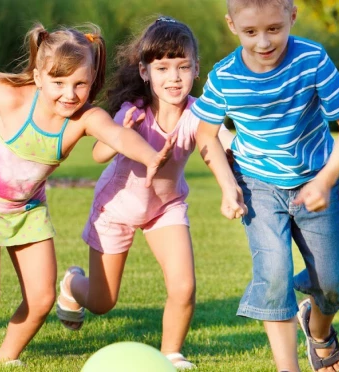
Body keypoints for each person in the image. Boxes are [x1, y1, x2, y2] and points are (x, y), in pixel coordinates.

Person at [0, 0, 174, 365]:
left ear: (91, 82)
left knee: (41, 299)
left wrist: (151, 156)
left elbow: (117, 136)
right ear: (39, 76)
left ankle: (5, 358)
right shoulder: (12, 98)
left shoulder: (84, 119)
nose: (69, 94)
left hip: (26, 210)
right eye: (58, 82)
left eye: (80, 84)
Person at [192, 0, 339, 371]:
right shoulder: (224, 77)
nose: (263, 42)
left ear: (292, 16)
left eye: (274, 29)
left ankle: (318, 332)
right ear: (232, 24)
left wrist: (325, 181)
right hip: (257, 185)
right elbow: (205, 134)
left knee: (331, 284)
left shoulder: (312, 59)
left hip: (314, 183)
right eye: (251, 31)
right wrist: (227, 185)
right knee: (273, 276)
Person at [56, 16, 233, 370]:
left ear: (197, 69)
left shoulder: (199, 113)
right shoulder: (132, 112)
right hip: (116, 208)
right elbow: (98, 154)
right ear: (144, 71)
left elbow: (221, 143)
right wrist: (119, 131)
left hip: (165, 208)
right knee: (102, 301)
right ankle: (72, 284)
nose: (174, 77)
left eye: (183, 67)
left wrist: (238, 173)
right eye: (163, 68)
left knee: (183, 286)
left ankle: (171, 353)